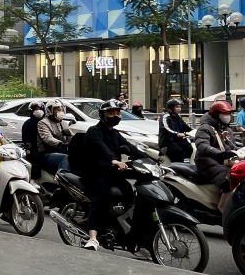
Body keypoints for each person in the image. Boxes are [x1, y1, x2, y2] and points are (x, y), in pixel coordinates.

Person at [77, 99, 147, 251]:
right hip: (95, 173)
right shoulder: (93, 131)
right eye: (111, 113)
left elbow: (130, 147)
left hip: (112, 173)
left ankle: (125, 229)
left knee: (130, 195)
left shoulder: (115, 134)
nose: (115, 116)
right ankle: (93, 238)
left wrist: (150, 160)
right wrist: (113, 160)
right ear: (102, 115)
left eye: (117, 113)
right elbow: (102, 148)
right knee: (99, 202)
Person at [195, 100, 240, 211]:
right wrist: (219, 154)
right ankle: (224, 209)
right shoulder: (205, 128)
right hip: (207, 161)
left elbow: (232, 147)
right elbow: (202, 146)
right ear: (216, 114)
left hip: (223, 160)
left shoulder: (227, 129)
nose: (228, 116)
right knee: (231, 177)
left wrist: (238, 152)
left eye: (229, 113)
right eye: (225, 113)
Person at [37, 100, 72, 174]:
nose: (60, 112)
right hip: (48, 152)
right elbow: (47, 138)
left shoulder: (63, 123)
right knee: (64, 158)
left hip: (62, 150)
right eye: (58, 110)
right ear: (50, 111)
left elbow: (70, 135)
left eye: (61, 110)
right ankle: (62, 177)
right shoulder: (43, 123)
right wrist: (60, 143)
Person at [159, 98, 192, 163]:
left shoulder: (178, 117)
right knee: (179, 151)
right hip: (168, 142)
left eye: (180, 107)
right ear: (171, 107)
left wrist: (197, 131)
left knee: (191, 148)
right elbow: (166, 128)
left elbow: (187, 127)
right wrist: (177, 134)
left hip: (180, 140)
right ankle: (177, 166)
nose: (179, 109)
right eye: (177, 107)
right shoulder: (165, 116)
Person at [22, 101, 45, 177]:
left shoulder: (45, 122)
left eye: (40, 109)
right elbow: (26, 139)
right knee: (37, 157)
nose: (38, 111)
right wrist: (28, 148)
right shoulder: (28, 124)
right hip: (34, 149)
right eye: (36, 109)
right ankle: (35, 179)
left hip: (45, 148)